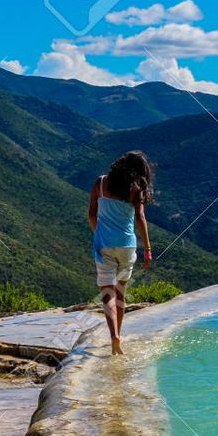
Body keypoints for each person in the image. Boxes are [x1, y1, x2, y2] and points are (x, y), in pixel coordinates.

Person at [88, 151, 153, 355]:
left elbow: (91, 214)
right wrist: (148, 249)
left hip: (104, 245)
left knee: (107, 293)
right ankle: (119, 335)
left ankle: (114, 335)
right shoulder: (135, 189)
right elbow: (140, 218)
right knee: (120, 293)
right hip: (127, 246)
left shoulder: (100, 183)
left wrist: (100, 234)